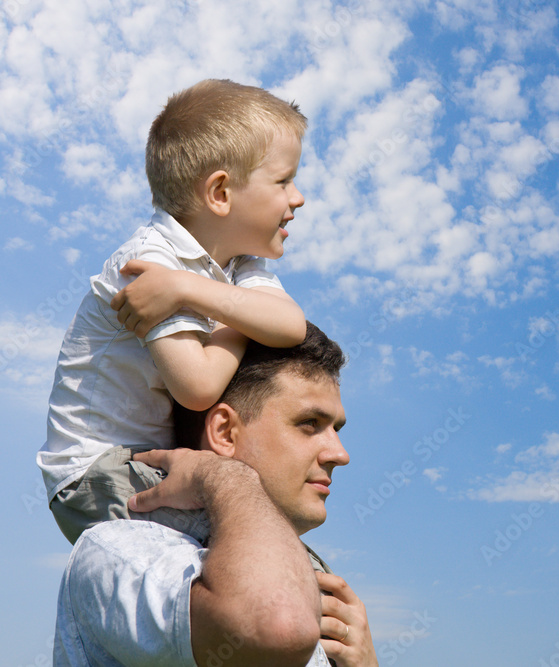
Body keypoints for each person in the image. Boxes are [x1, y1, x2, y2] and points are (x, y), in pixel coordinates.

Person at [38, 79, 310, 545]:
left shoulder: (233, 264)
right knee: (258, 544)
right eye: (284, 180)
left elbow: (290, 326)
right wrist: (242, 313)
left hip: (150, 462)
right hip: (98, 472)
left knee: (264, 540)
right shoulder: (148, 263)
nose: (298, 197)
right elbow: (199, 387)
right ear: (220, 193)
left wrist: (192, 289)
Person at [53, 324, 378, 666]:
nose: (340, 454)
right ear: (224, 432)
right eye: (309, 423)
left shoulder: (304, 584)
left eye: (336, 429)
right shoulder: (116, 550)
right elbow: (277, 624)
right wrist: (221, 474)